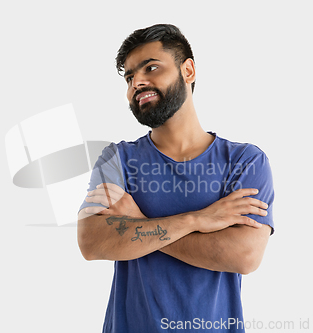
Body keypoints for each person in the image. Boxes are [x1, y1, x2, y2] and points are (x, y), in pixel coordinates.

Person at [77, 24, 274, 333]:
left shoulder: (244, 161)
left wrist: (137, 223)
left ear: (188, 70)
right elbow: (92, 242)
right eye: (129, 78)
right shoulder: (117, 159)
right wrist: (197, 220)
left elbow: (244, 255)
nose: (137, 82)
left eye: (150, 68)